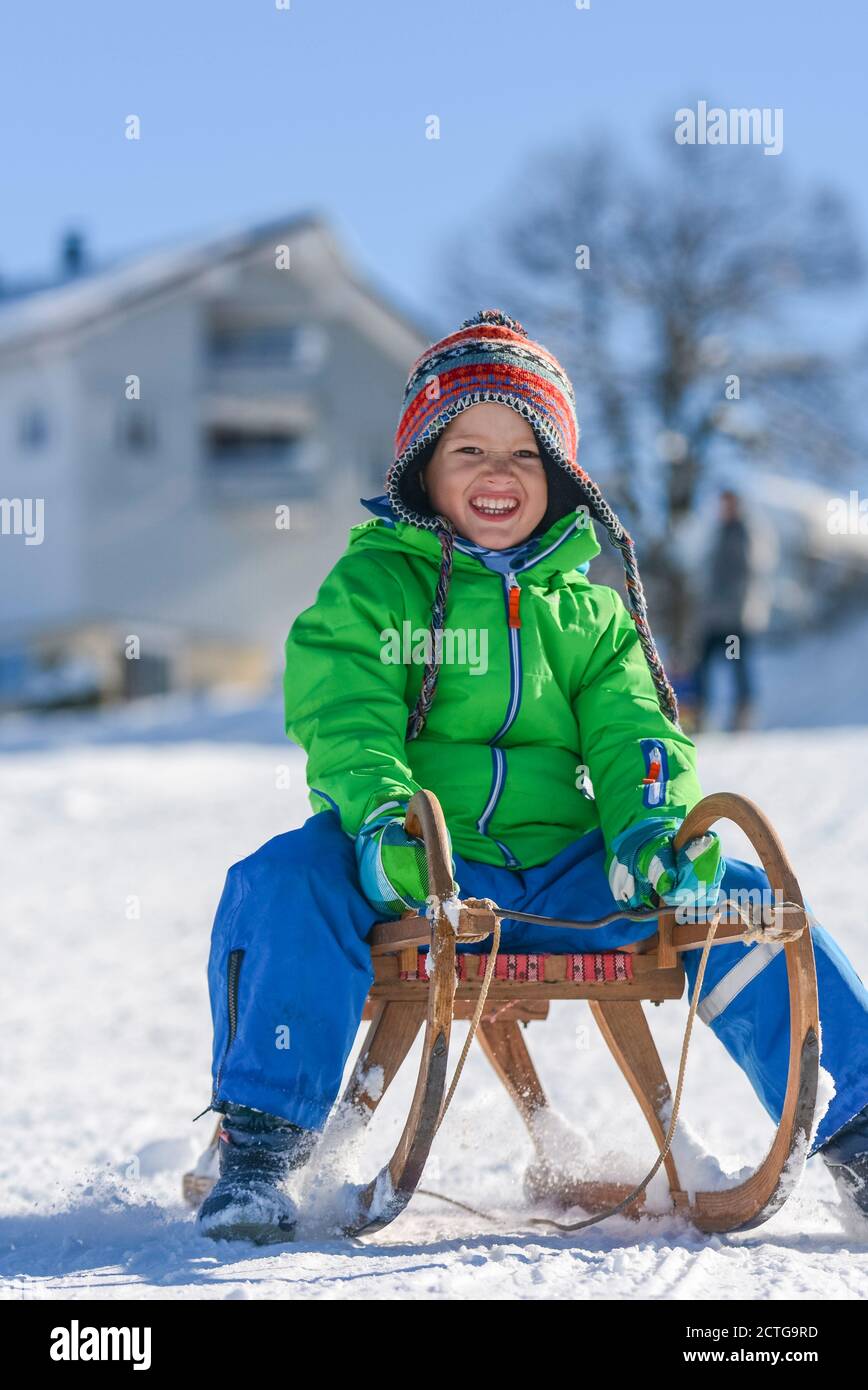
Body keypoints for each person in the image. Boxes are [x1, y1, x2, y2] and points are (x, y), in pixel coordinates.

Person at [196, 310, 868, 1243]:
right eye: (468, 448)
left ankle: (860, 1125)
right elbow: (347, 719)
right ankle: (260, 1147)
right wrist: (387, 824)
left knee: (746, 904)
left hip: (562, 865)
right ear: (422, 469)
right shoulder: (374, 591)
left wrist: (648, 831)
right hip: (407, 854)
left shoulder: (588, 613)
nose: (498, 473)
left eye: (525, 452)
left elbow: (636, 730)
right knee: (281, 880)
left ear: (562, 476)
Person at [694, 489, 771, 732]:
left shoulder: (743, 534)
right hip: (715, 617)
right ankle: (701, 714)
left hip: (736, 619)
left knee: (737, 664)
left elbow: (749, 575)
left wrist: (741, 610)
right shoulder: (721, 532)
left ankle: (742, 716)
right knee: (704, 665)